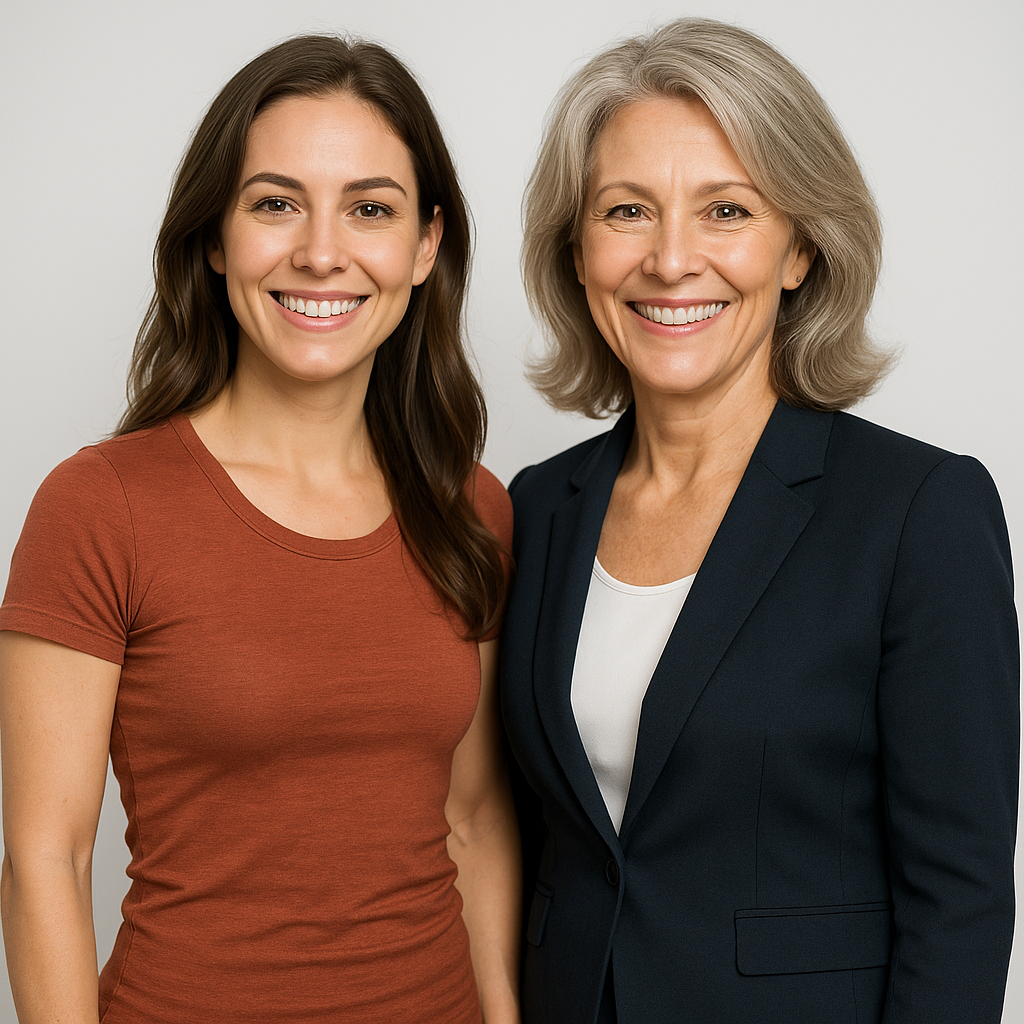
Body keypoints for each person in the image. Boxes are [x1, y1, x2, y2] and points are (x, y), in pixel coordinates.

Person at [501, 17, 1017, 1024]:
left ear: (799, 250)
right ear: (576, 249)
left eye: (726, 209)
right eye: (625, 211)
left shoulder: (919, 514)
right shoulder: (533, 509)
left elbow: (958, 901)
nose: (671, 258)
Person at [0, 35, 520, 1024]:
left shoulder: (473, 508)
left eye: (370, 208)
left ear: (424, 247)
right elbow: (45, 862)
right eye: (275, 203)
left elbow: (475, 818)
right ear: (214, 237)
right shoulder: (100, 505)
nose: (321, 250)